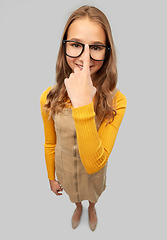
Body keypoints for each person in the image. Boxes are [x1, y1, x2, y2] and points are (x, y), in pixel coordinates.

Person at [40, 5, 127, 231]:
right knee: (74, 193)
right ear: (65, 47)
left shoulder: (117, 101)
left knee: (92, 191)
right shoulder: (48, 98)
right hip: (66, 167)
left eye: (96, 47)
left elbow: (94, 163)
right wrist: (51, 176)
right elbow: (50, 142)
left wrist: (83, 103)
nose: (85, 57)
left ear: (107, 52)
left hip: (93, 174)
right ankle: (78, 206)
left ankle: (92, 206)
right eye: (76, 45)